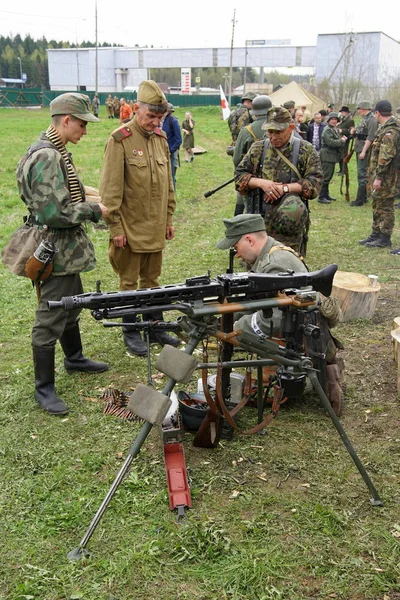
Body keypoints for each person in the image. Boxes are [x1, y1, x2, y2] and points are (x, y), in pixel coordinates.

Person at [16, 93, 109, 416]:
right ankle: (44, 388)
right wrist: (96, 210)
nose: (85, 130)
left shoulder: (56, 150)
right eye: (82, 124)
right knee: (51, 314)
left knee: (73, 303)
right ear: (66, 120)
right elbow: (54, 212)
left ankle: (74, 357)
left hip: (65, 249)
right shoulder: (47, 156)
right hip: (54, 248)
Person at [216, 213, 344, 416]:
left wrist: (234, 331)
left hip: (303, 341)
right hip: (299, 330)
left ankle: (310, 379)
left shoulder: (275, 263)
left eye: (236, 247)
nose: (236, 254)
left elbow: (274, 318)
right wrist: (226, 319)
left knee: (255, 393)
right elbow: (256, 301)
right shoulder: (270, 254)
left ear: (249, 239)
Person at [99, 80, 179, 356]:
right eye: (150, 116)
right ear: (137, 109)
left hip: (155, 225)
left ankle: (154, 326)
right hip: (130, 229)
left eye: (160, 117)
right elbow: (110, 190)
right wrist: (115, 227)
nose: (155, 122)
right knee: (129, 282)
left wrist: (168, 219)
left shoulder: (160, 140)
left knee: (153, 280)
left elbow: (168, 184)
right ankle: (131, 331)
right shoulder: (119, 139)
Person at [235, 106, 323, 254]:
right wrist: (262, 183)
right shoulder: (257, 149)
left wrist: (285, 188)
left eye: (278, 132)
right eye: (270, 131)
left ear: (291, 128)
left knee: (288, 267)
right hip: (259, 224)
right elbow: (239, 177)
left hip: (290, 226)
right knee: (258, 271)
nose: (273, 136)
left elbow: (315, 183)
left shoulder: (305, 150)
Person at [359, 100, 400, 250]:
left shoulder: (391, 132)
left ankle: (385, 237)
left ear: (377, 113)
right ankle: (375, 233)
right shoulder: (385, 128)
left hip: (386, 177)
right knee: (377, 203)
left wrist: (379, 177)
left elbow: (386, 157)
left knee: (386, 206)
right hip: (380, 175)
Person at [232, 95, 272, 216]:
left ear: (254, 113)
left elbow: (237, 159)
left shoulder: (246, 131)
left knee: (246, 211)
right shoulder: (280, 128)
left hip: (251, 180)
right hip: (275, 180)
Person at [349, 100, 378, 207]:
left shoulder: (372, 120)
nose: (359, 111)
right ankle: (364, 197)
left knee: (362, 174)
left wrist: (364, 151)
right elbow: (361, 131)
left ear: (364, 109)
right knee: (361, 173)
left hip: (364, 150)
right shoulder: (365, 119)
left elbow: (370, 137)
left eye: (360, 109)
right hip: (359, 147)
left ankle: (360, 199)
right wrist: (354, 130)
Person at [318, 113, 347, 204]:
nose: (334, 121)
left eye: (335, 119)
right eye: (332, 119)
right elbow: (331, 143)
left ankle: (326, 195)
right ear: (328, 120)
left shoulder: (333, 129)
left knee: (329, 176)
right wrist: (341, 141)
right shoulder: (327, 130)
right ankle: (321, 196)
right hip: (327, 155)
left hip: (331, 155)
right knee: (326, 176)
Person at [162, 103, 182, 190]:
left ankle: (172, 194)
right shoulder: (161, 121)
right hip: (162, 151)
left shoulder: (173, 121)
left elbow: (178, 140)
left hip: (171, 152)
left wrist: (171, 150)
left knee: (171, 175)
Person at [337, 106, 355, 175]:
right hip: (341, 139)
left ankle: (344, 170)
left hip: (345, 139)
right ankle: (341, 169)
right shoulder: (344, 119)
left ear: (346, 112)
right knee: (340, 155)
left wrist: (342, 130)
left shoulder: (350, 120)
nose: (341, 113)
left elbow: (351, 131)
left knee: (344, 155)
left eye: (342, 112)